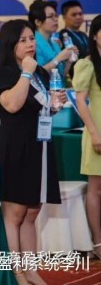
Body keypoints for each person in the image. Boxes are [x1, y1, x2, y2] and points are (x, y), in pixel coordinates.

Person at [0, 19, 62, 285]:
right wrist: (26, 74)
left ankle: (31, 270)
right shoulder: (6, 74)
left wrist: (54, 105)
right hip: (15, 148)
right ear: (10, 45)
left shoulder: (40, 72)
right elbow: (12, 105)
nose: (30, 44)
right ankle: (17, 273)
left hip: (39, 147)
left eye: (32, 38)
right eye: (23, 40)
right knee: (15, 214)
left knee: (32, 213)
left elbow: (40, 107)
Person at [73, 14, 101, 259]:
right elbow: (80, 102)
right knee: (96, 189)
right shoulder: (88, 64)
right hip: (97, 128)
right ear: (95, 36)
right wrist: (93, 133)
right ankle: (98, 241)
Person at [29, 0, 76, 81]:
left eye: (56, 16)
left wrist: (69, 60)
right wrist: (58, 59)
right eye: (50, 16)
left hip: (57, 87)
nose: (56, 19)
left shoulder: (54, 44)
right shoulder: (32, 43)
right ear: (38, 22)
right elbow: (37, 75)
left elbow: (61, 75)